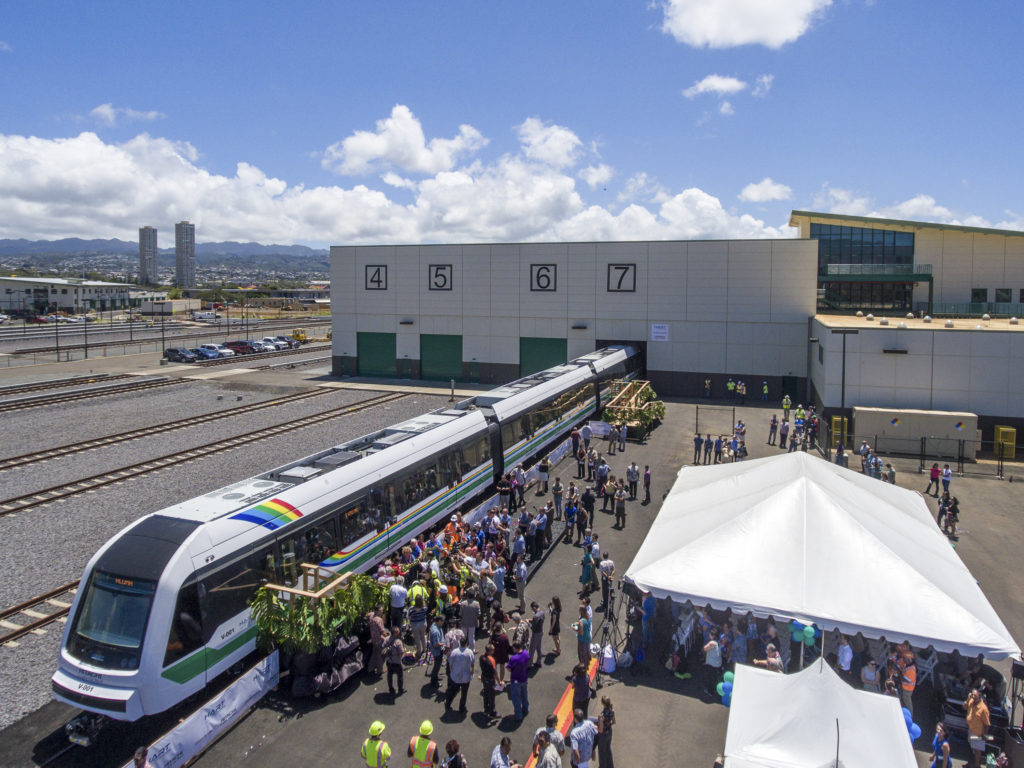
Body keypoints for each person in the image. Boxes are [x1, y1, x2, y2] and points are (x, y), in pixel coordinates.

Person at [445, 635, 474, 713]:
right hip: (466, 677)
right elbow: (472, 664)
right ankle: (462, 707)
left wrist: (452, 672)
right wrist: (472, 672)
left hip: (456, 676)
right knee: (464, 694)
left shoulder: (454, 652)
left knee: (453, 691)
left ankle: (448, 703)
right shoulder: (469, 652)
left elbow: (450, 664)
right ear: (467, 644)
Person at [965, 688, 990, 768]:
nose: (973, 696)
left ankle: (976, 765)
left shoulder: (983, 709)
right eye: (972, 694)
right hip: (971, 730)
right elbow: (964, 707)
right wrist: (968, 699)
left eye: (975, 695)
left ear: (979, 697)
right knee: (972, 748)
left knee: (977, 751)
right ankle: (971, 764)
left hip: (978, 733)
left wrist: (984, 735)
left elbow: (987, 724)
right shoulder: (971, 702)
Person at [508, 641, 531, 720]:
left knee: (516, 698)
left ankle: (518, 715)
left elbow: (509, 669)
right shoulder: (526, 653)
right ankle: (526, 709)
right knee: (524, 695)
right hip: (524, 678)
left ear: (515, 648)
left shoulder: (513, 658)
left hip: (515, 680)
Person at [384, 625, 406, 696]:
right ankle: (400, 688)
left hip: (388, 661)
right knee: (400, 676)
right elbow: (401, 653)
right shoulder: (398, 642)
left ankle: (391, 688)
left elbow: (383, 646)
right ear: (396, 633)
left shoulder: (386, 639)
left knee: (389, 675)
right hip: (396, 662)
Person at [480, 642, 499, 718]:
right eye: (493, 650)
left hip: (484, 677)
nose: (494, 651)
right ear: (490, 651)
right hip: (490, 679)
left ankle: (486, 709)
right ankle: (492, 712)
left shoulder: (481, 657)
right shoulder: (491, 660)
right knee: (492, 696)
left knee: (486, 693)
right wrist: (499, 681)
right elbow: (495, 673)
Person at [597, 695, 616, 768]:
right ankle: (610, 765)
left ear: (602, 703)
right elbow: (613, 722)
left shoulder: (601, 716)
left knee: (602, 752)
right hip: (609, 732)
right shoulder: (612, 711)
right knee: (608, 749)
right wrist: (608, 725)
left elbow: (601, 730)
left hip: (603, 735)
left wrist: (595, 727)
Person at [703, 627, 723, 695]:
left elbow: (705, 648)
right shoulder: (718, 642)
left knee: (710, 677)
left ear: (712, 635)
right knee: (714, 678)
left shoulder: (712, 642)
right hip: (717, 663)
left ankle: (710, 691)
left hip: (712, 664)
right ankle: (714, 690)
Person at [428, 614, 445, 686]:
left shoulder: (434, 625)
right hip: (437, 651)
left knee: (438, 665)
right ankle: (434, 681)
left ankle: (436, 676)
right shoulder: (436, 632)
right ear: (439, 621)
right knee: (437, 666)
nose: (443, 623)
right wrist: (444, 643)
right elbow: (436, 644)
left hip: (436, 650)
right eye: (442, 621)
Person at [529, 601, 546, 666]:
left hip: (535, 634)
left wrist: (528, 623)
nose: (532, 610)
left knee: (531, 649)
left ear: (534, 608)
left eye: (532, 609)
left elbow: (533, 628)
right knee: (538, 648)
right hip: (541, 632)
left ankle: (529, 664)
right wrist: (531, 620)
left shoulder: (535, 617)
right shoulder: (542, 613)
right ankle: (539, 661)